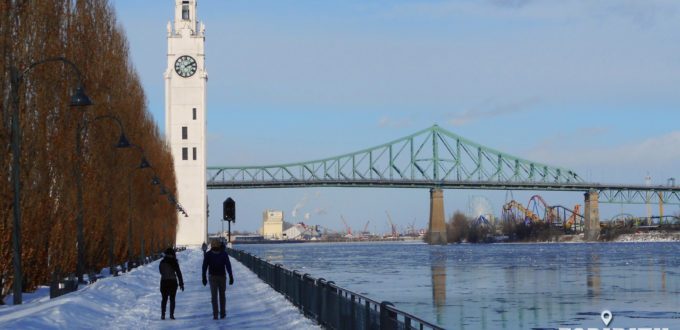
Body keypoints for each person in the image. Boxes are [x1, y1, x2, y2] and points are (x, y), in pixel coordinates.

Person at [202, 239, 234, 320]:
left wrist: (204, 277)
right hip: (222, 276)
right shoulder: (223, 254)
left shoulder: (208, 254)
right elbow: (228, 266)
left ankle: (215, 314)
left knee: (214, 297)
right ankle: (222, 313)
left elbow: (204, 267)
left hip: (212, 277)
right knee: (222, 296)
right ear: (219, 245)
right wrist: (231, 276)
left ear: (212, 245)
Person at [159, 248, 184, 320]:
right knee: (172, 299)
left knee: (164, 299)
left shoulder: (162, 262)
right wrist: (181, 283)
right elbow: (179, 273)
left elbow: (161, 272)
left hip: (164, 282)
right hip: (173, 282)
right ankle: (171, 315)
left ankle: (163, 314)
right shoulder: (174, 262)